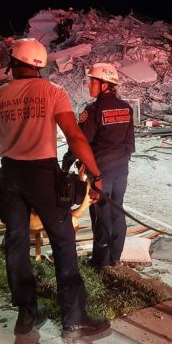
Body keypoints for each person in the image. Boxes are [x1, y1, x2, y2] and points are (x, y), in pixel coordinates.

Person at [0, 38, 109, 339]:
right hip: (43, 174)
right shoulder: (53, 92)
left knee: (16, 242)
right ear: (40, 67)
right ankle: (74, 320)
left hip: (11, 175)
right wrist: (96, 174)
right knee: (63, 242)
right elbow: (75, 138)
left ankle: (27, 313)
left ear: (13, 63)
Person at [62, 62, 135, 268]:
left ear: (104, 85)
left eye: (92, 82)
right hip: (121, 169)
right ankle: (115, 257)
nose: (88, 86)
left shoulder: (93, 111)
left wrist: (67, 164)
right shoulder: (126, 109)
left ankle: (100, 261)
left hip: (100, 171)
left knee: (100, 213)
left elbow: (79, 142)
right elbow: (130, 144)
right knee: (117, 210)